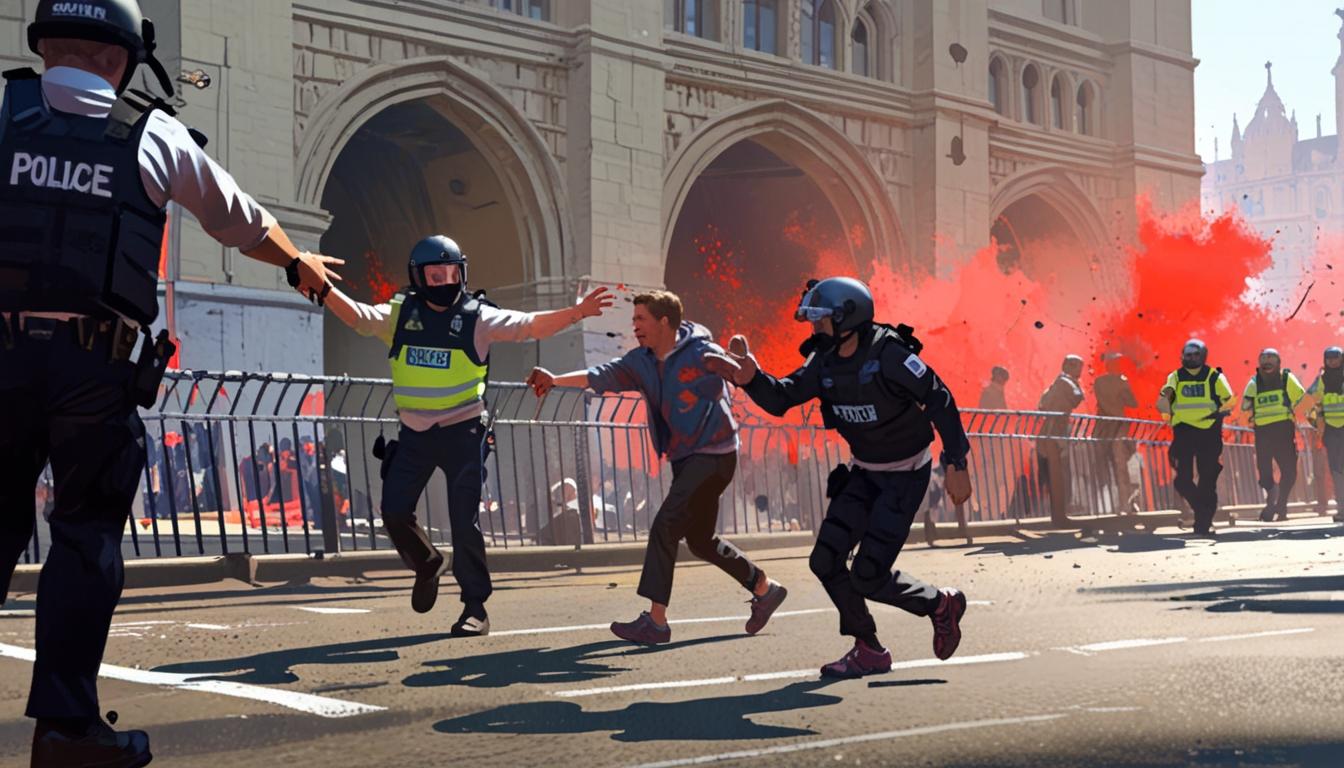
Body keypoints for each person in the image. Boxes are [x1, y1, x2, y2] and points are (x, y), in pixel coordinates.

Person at [0, 1, 343, 764]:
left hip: (2, 358)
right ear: (122, 59)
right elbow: (243, 221)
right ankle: (64, 731)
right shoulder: (149, 133)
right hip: (97, 369)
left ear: (46, 43)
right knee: (85, 541)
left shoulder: (5, 111)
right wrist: (300, 264)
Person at [320, 235, 612, 636]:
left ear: (462, 273)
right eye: (434, 275)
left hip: (464, 433)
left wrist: (576, 313)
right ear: (418, 278)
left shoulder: (479, 317)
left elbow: (529, 326)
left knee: (464, 520)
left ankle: (475, 608)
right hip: (415, 434)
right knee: (393, 511)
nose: (444, 281)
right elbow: (356, 316)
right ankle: (427, 563)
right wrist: (321, 288)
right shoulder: (400, 314)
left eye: (451, 273)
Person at [705, 277, 972, 679]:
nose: (814, 328)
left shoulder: (890, 354)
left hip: (905, 477)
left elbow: (940, 398)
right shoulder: (824, 361)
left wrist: (956, 462)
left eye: (821, 320)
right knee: (824, 559)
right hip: (864, 473)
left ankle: (939, 604)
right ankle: (868, 648)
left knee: (867, 575)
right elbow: (783, 398)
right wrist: (751, 379)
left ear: (848, 318)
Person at [526, 290, 788, 644]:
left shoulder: (699, 351)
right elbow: (599, 374)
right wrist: (554, 380)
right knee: (700, 540)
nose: (635, 327)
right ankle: (764, 587)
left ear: (664, 322)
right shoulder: (641, 362)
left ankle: (656, 622)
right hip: (686, 458)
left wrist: (742, 367)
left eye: (641, 320)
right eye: (634, 320)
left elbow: (732, 370)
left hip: (714, 455)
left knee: (665, 526)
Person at [1156, 339, 1234, 537]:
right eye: (1188, 355)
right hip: (1184, 433)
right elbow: (1165, 397)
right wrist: (1165, 410)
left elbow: (1230, 400)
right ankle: (1202, 509)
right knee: (1182, 481)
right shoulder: (1175, 377)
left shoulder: (1214, 376)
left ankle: (1203, 524)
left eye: (1195, 354)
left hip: (1209, 433)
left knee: (1207, 480)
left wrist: (1220, 412)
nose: (1191, 358)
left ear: (1203, 355)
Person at [1241, 348, 1305, 522]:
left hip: (1284, 432)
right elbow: (1244, 407)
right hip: (1263, 434)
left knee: (1290, 472)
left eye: (1271, 358)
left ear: (1278, 362)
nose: (1266, 361)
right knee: (1265, 473)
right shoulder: (1254, 383)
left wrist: (1308, 420)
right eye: (1263, 358)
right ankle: (1272, 495)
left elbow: (1302, 401)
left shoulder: (1287, 379)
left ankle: (1281, 506)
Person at [1036, 355, 1085, 525]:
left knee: (1056, 473)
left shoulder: (1056, 383)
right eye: (1078, 366)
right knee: (1059, 473)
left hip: (1052, 431)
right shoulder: (1066, 382)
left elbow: (1042, 404)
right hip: (1055, 431)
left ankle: (1059, 513)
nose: (1080, 370)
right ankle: (1060, 515)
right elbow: (1078, 395)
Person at [1094, 352, 1139, 513]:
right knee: (1123, 468)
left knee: (1103, 470)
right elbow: (1133, 403)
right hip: (1119, 428)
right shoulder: (1122, 381)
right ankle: (1125, 504)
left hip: (1101, 429)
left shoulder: (1098, 381)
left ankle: (1105, 507)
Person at [1306, 346, 1344, 523]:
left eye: (1335, 358)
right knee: (1337, 471)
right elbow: (1309, 401)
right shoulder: (1321, 381)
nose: (1332, 362)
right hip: (1331, 432)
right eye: (1328, 359)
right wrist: (1315, 422)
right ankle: (1342, 509)